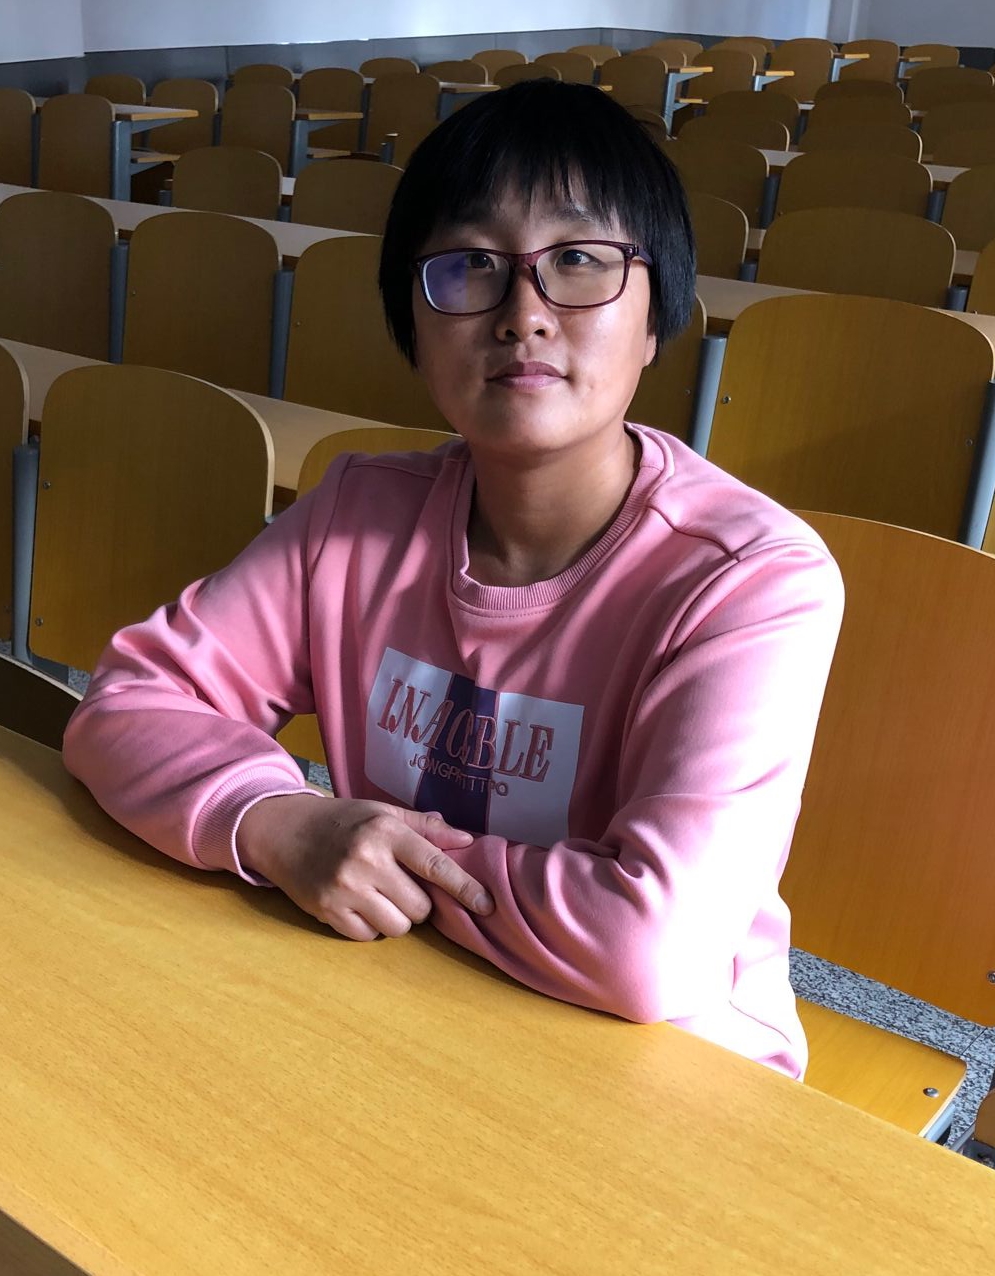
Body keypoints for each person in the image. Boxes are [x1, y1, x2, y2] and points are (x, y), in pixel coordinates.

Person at [64, 80, 843, 1078]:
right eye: (470, 263)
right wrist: (280, 822)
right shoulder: (356, 514)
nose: (524, 315)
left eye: (577, 260)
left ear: (656, 318)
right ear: (413, 320)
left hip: (669, 1066)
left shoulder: (749, 581)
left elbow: (649, 949)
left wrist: (382, 853)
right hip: (405, 997)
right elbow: (128, 704)